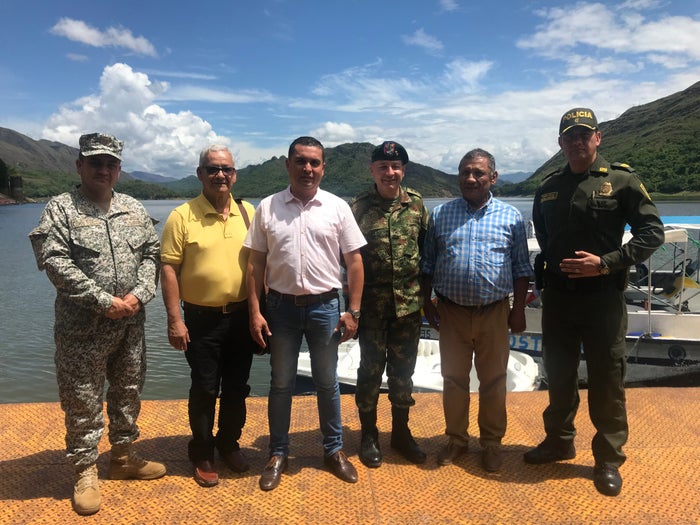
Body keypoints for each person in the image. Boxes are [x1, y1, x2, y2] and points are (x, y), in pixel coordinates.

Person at [525, 108, 664, 496]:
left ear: (598, 138)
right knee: (559, 374)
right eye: (569, 136)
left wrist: (605, 263)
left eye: (584, 134)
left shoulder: (620, 180)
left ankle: (607, 457)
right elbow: (545, 237)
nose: (576, 141)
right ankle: (559, 441)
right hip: (558, 299)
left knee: (606, 378)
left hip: (602, 299)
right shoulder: (549, 186)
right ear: (560, 143)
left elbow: (652, 233)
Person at [28, 133, 165, 516]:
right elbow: (55, 262)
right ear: (79, 166)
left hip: (130, 324)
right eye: (95, 162)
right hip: (82, 329)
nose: (103, 169)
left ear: (119, 169)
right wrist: (103, 301)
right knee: (82, 399)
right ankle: (85, 470)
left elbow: (152, 254)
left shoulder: (133, 208)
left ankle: (122, 457)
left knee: (128, 391)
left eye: (110, 163)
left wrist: (140, 294)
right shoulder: (61, 209)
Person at [244, 136, 366, 491]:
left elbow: (354, 262)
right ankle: (278, 453)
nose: (307, 169)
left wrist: (353, 311)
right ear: (288, 165)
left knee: (327, 382)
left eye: (314, 162)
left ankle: (333, 450)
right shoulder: (268, 207)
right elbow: (255, 264)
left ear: (323, 168)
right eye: (300, 161)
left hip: (325, 307)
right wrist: (255, 311)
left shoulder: (337, 207)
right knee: (281, 383)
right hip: (280, 308)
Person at [422, 148, 532, 473]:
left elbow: (521, 268)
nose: (470, 178)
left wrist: (518, 310)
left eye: (478, 173)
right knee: (453, 379)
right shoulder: (440, 215)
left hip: (494, 311)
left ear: (493, 178)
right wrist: (426, 303)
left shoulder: (511, 217)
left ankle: (492, 443)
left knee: (494, 380)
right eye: (465, 172)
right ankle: (456, 440)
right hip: (451, 311)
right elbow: (428, 264)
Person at [160, 145, 256, 488]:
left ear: (235, 174)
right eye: (212, 169)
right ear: (200, 174)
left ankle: (228, 443)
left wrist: (259, 312)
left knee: (237, 386)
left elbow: (258, 265)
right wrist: (175, 319)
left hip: (242, 316)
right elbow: (169, 269)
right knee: (204, 387)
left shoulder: (248, 212)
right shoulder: (182, 216)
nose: (220, 175)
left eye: (226, 169)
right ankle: (202, 452)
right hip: (201, 319)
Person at [349, 140, 429, 468]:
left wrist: (428, 299)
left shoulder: (417, 205)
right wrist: (351, 308)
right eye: (383, 167)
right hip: (371, 310)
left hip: (407, 309)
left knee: (403, 374)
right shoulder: (358, 208)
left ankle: (401, 433)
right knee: (369, 372)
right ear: (372, 170)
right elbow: (348, 261)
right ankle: (368, 434)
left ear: (403, 170)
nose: (390, 172)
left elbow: (426, 252)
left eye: (395, 167)